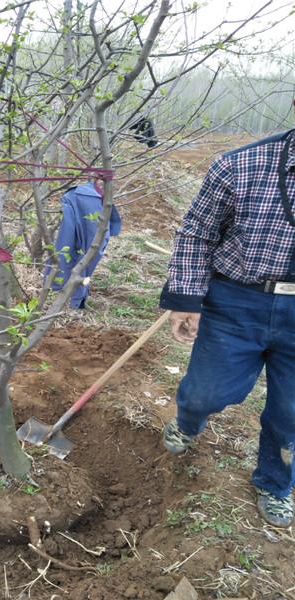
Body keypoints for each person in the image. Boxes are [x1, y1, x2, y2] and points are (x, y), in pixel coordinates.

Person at [159, 122, 295, 528]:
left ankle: (274, 484)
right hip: (238, 300)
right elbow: (197, 234)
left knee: (291, 415)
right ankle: (187, 422)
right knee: (207, 393)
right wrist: (185, 298)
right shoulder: (240, 165)